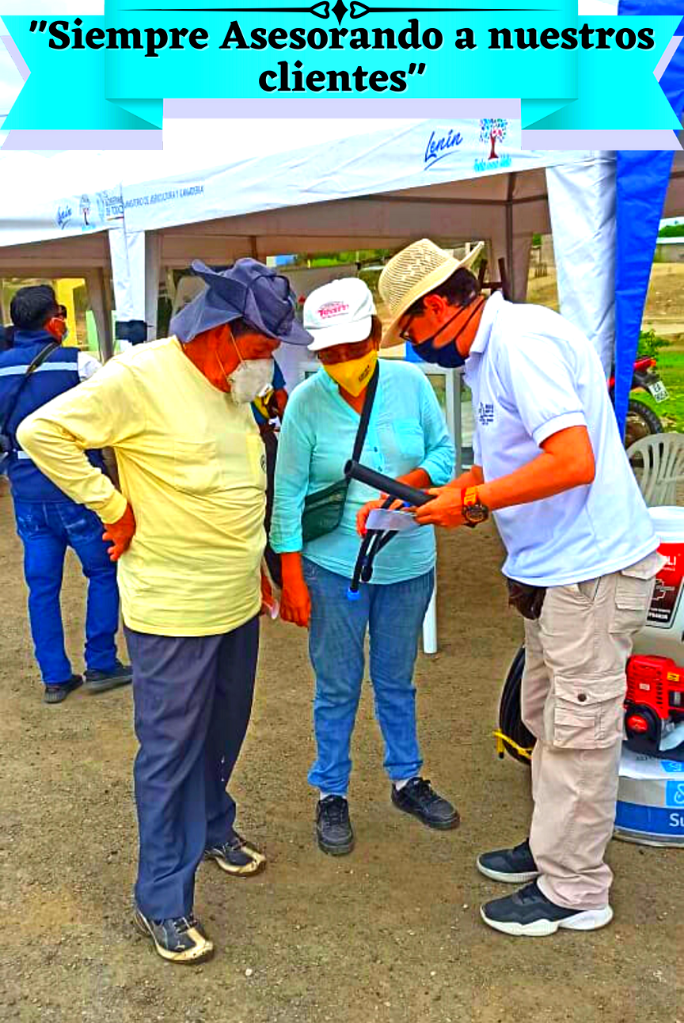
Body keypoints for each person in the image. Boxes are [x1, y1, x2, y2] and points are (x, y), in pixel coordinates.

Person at [17, 259, 312, 965]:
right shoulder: (140, 377)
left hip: (235, 598)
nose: (269, 366)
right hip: (173, 609)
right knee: (171, 751)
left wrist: (261, 570)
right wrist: (112, 506)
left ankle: (214, 824)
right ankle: (162, 898)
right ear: (221, 333)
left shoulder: (231, 385)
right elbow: (40, 433)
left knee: (225, 727)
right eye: (264, 348)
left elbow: (238, 480)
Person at [368, 237, 664, 937]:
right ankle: (551, 847)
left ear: (437, 305)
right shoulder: (492, 348)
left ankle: (575, 888)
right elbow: (522, 455)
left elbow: (574, 459)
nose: (412, 346)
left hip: (588, 572)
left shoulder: (520, 343)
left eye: (408, 330)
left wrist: (473, 504)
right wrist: (456, 487)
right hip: (556, 574)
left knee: (578, 734)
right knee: (544, 718)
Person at [271, 277, 458, 857]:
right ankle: (331, 791)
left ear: (377, 336)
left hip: (407, 563)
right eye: (330, 354)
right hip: (333, 569)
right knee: (336, 685)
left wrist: (404, 490)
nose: (343, 363)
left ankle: (406, 779)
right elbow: (287, 495)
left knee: (396, 679)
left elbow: (445, 457)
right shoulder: (306, 402)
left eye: (354, 349)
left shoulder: (409, 384)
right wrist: (294, 579)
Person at [0, 285, 130, 704]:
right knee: (103, 572)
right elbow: (116, 413)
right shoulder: (78, 362)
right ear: (52, 319)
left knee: (41, 586)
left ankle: (55, 676)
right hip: (79, 492)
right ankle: (101, 662)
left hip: (26, 494)